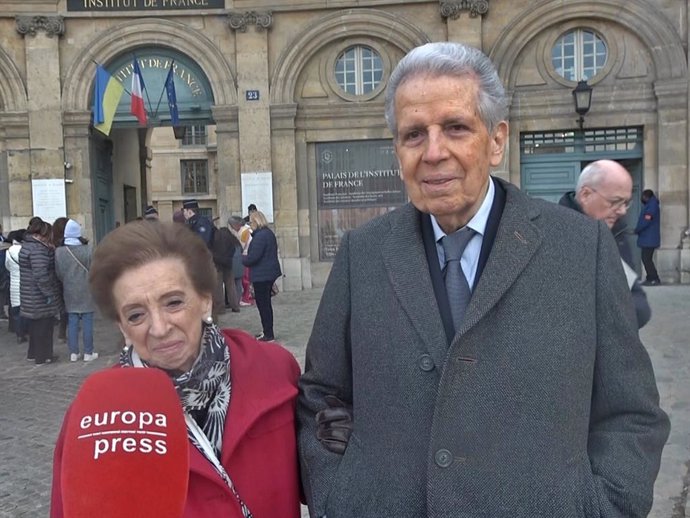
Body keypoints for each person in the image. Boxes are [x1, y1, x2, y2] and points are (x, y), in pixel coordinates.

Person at [297, 42, 669, 518]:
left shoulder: (582, 249)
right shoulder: (362, 253)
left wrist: (604, 506)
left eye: (455, 127)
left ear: (497, 140)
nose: (434, 152)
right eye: (414, 134)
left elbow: (631, 411)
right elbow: (322, 395)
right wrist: (340, 494)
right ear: (397, 150)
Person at [50, 220, 301, 517]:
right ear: (123, 327)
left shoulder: (273, 369)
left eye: (173, 303)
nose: (159, 328)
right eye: (136, 315)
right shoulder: (95, 416)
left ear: (205, 302)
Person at [559, 160, 651, 328]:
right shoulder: (555, 236)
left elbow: (638, 304)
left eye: (625, 202)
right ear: (585, 195)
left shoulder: (617, 232)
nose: (623, 210)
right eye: (615, 201)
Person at [54, 219, 98, 362]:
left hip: (69, 289)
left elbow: (59, 273)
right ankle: (88, 352)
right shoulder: (88, 249)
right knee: (87, 321)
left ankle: (73, 353)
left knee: (72, 321)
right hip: (86, 289)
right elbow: (93, 270)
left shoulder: (59, 252)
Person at [20, 218, 60, 365]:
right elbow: (41, 275)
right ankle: (43, 356)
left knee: (35, 326)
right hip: (38, 294)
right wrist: (49, 294)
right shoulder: (38, 250)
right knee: (44, 327)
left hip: (29, 292)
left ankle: (33, 353)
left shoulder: (28, 246)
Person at [242, 211, 281, 342]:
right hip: (267, 273)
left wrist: (243, 259)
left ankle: (268, 334)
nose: (250, 225)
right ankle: (267, 331)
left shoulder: (260, 236)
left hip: (262, 275)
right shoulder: (267, 233)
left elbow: (254, 257)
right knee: (265, 304)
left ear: (256, 221)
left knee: (263, 305)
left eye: (250, 222)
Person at [211, 218, 240, 315]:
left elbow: (212, 252)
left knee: (218, 287)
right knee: (231, 286)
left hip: (218, 264)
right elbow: (233, 250)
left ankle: (220, 308)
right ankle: (235, 306)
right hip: (228, 264)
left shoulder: (216, 239)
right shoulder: (231, 240)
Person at [5, 229, 28, 343]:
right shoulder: (25, 250)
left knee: (16, 310)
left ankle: (20, 334)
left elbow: (7, 266)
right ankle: (27, 330)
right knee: (27, 308)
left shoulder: (9, 251)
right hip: (25, 281)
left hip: (14, 282)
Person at [636, 189, 661, 286]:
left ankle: (654, 278)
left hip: (649, 238)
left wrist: (637, 229)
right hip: (648, 238)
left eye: (643, 197)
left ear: (647, 197)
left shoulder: (652, 205)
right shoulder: (650, 205)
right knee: (646, 259)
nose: (642, 198)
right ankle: (650, 278)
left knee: (646, 259)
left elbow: (647, 220)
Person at [230, 216, 255, 306]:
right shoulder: (247, 230)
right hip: (247, 255)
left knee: (245, 279)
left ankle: (246, 298)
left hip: (245, 255)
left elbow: (242, 246)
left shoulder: (244, 232)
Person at [52, 217, 69, 343]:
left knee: (62, 306)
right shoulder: (66, 246)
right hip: (66, 278)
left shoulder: (52, 244)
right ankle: (63, 331)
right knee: (66, 306)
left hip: (55, 278)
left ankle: (62, 333)